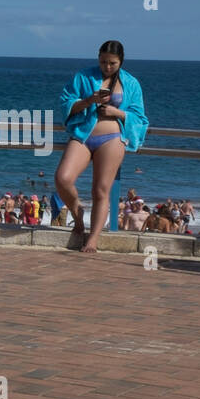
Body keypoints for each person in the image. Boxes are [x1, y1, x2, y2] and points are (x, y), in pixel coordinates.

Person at [56, 40, 149, 253]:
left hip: (112, 138)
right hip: (83, 134)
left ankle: (93, 238)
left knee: (100, 189)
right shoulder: (83, 76)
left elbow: (140, 118)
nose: (107, 67)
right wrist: (89, 100)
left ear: (121, 62)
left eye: (112, 63)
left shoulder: (131, 83)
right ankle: (77, 212)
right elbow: (66, 104)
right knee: (63, 178)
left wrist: (117, 113)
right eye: (103, 62)